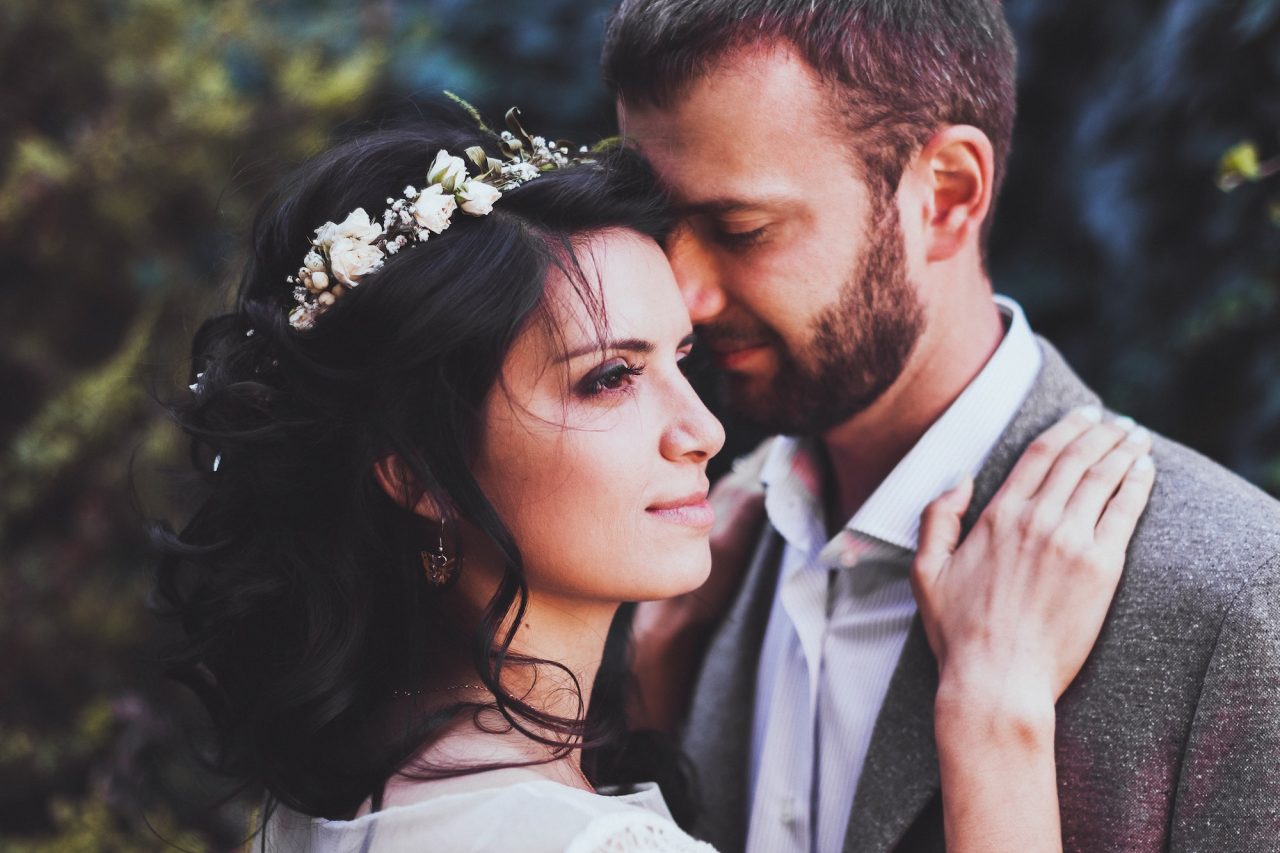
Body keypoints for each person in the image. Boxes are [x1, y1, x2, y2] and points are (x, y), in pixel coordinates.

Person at [152, 106, 1153, 853]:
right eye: (609, 378)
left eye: (681, 358)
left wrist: (650, 686)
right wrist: (994, 715)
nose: (703, 431)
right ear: (415, 471)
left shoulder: (319, 811)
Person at [602, 1, 1280, 851]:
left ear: (949, 194)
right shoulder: (695, 573)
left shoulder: (1235, 598)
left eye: (743, 229)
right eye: (660, 228)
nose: (685, 295)